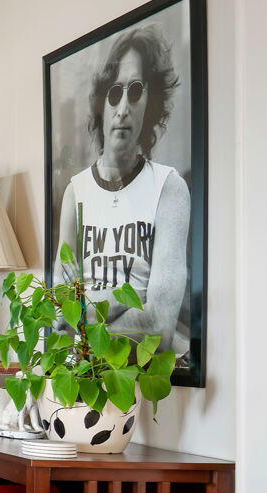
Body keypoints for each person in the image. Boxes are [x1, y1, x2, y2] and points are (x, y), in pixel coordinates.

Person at [53, 24, 191, 357]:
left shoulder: (168, 187)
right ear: (101, 104)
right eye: (115, 93)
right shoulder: (77, 192)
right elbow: (59, 314)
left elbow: (159, 325)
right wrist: (127, 300)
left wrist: (88, 312)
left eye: (135, 90)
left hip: (142, 380)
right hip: (89, 377)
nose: (123, 108)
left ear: (150, 102)